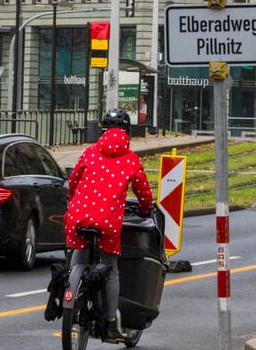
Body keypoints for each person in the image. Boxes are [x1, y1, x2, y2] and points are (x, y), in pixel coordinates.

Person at [64, 108, 153, 342]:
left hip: (79, 215)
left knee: (79, 253)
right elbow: (143, 192)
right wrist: (145, 208)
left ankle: (70, 295)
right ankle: (111, 320)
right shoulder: (130, 159)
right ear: (128, 133)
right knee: (110, 267)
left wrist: (72, 201)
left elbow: (73, 182)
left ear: (102, 131)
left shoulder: (90, 152)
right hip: (107, 222)